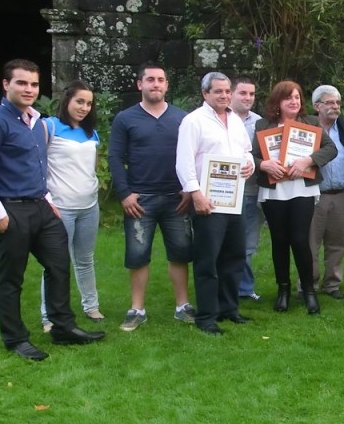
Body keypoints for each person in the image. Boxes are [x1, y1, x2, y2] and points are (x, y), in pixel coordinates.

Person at [0, 59, 104, 360]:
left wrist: (48, 201)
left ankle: (62, 327)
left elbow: (39, 167)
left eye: (33, 84)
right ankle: (16, 338)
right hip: (10, 211)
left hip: (42, 207)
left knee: (58, 265)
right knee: (11, 277)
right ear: (6, 85)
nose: (29, 89)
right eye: (21, 83)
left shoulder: (33, 122)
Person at [108, 62, 194, 332]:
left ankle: (183, 306)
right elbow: (115, 157)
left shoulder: (182, 118)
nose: (156, 84)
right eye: (150, 79)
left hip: (176, 198)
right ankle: (137, 309)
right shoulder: (125, 119)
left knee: (180, 252)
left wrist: (189, 188)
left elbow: (193, 155)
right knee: (137, 254)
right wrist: (124, 194)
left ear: (167, 85)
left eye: (160, 80)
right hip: (139, 200)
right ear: (140, 84)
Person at [175, 71, 255, 335]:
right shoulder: (193, 121)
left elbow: (246, 152)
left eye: (227, 91)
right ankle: (207, 316)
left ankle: (228, 308)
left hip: (233, 199)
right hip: (207, 201)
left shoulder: (236, 121)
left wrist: (250, 165)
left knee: (234, 255)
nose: (224, 95)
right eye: (218, 91)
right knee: (207, 260)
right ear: (205, 93)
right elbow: (184, 161)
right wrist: (195, 194)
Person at [253, 81, 338, 315]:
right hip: (274, 190)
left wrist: (308, 161)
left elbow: (330, 149)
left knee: (300, 240)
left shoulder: (311, 122)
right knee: (279, 240)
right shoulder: (263, 125)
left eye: (297, 97)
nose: (294, 101)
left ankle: (309, 291)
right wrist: (264, 165)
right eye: (288, 97)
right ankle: (283, 290)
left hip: (302, 188)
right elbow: (253, 156)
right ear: (277, 101)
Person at [39, 80, 104, 332]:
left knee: (85, 259)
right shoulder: (49, 127)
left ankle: (91, 306)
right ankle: (48, 316)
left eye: (89, 103)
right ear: (67, 100)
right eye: (80, 101)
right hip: (60, 207)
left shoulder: (91, 133)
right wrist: (46, 198)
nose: (84, 107)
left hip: (89, 206)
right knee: (55, 263)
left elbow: (91, 168)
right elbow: (36, 163)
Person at [309, 84, 344, 300]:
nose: (335, 106)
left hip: (341, 194)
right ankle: (308, 285)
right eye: (329, 102)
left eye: (337, 102)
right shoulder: (307, 130)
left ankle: (332, 284)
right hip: (314, 194)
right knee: (310, 243)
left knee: (337, 242)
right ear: (317, 106)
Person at [230, 76, 265, 303]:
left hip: (251, 189)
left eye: (251, 94)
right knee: (226, 240)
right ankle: (224, 286)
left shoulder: (259, 122)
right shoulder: (221, 118)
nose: (248, 98)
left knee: (248, 243)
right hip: (224, 191)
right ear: (231, 93)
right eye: (242, 93)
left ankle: (244, 287)